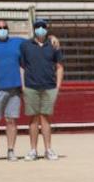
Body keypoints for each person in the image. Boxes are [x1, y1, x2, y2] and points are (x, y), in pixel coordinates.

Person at [20, 18, 64, 161]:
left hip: (49, 86)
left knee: (45, 119)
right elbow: (22, 66)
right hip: (31, 86)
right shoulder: (26, 45)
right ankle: (33, 149)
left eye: (43, 27)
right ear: (34, 29)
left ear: (46, 28)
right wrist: (23, 86)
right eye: (38, 27)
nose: (40, 29)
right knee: (33, 119)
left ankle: (48, 149)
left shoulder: (53, 45)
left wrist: (57, 86)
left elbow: (59, 67)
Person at [0, 20, 24, 162]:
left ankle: (11, 150)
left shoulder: (18, 42)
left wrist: (51, 38)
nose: (2, 29)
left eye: (5, 27)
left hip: (14, 87)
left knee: (11, 120)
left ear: (8, 29)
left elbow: (37, 43)